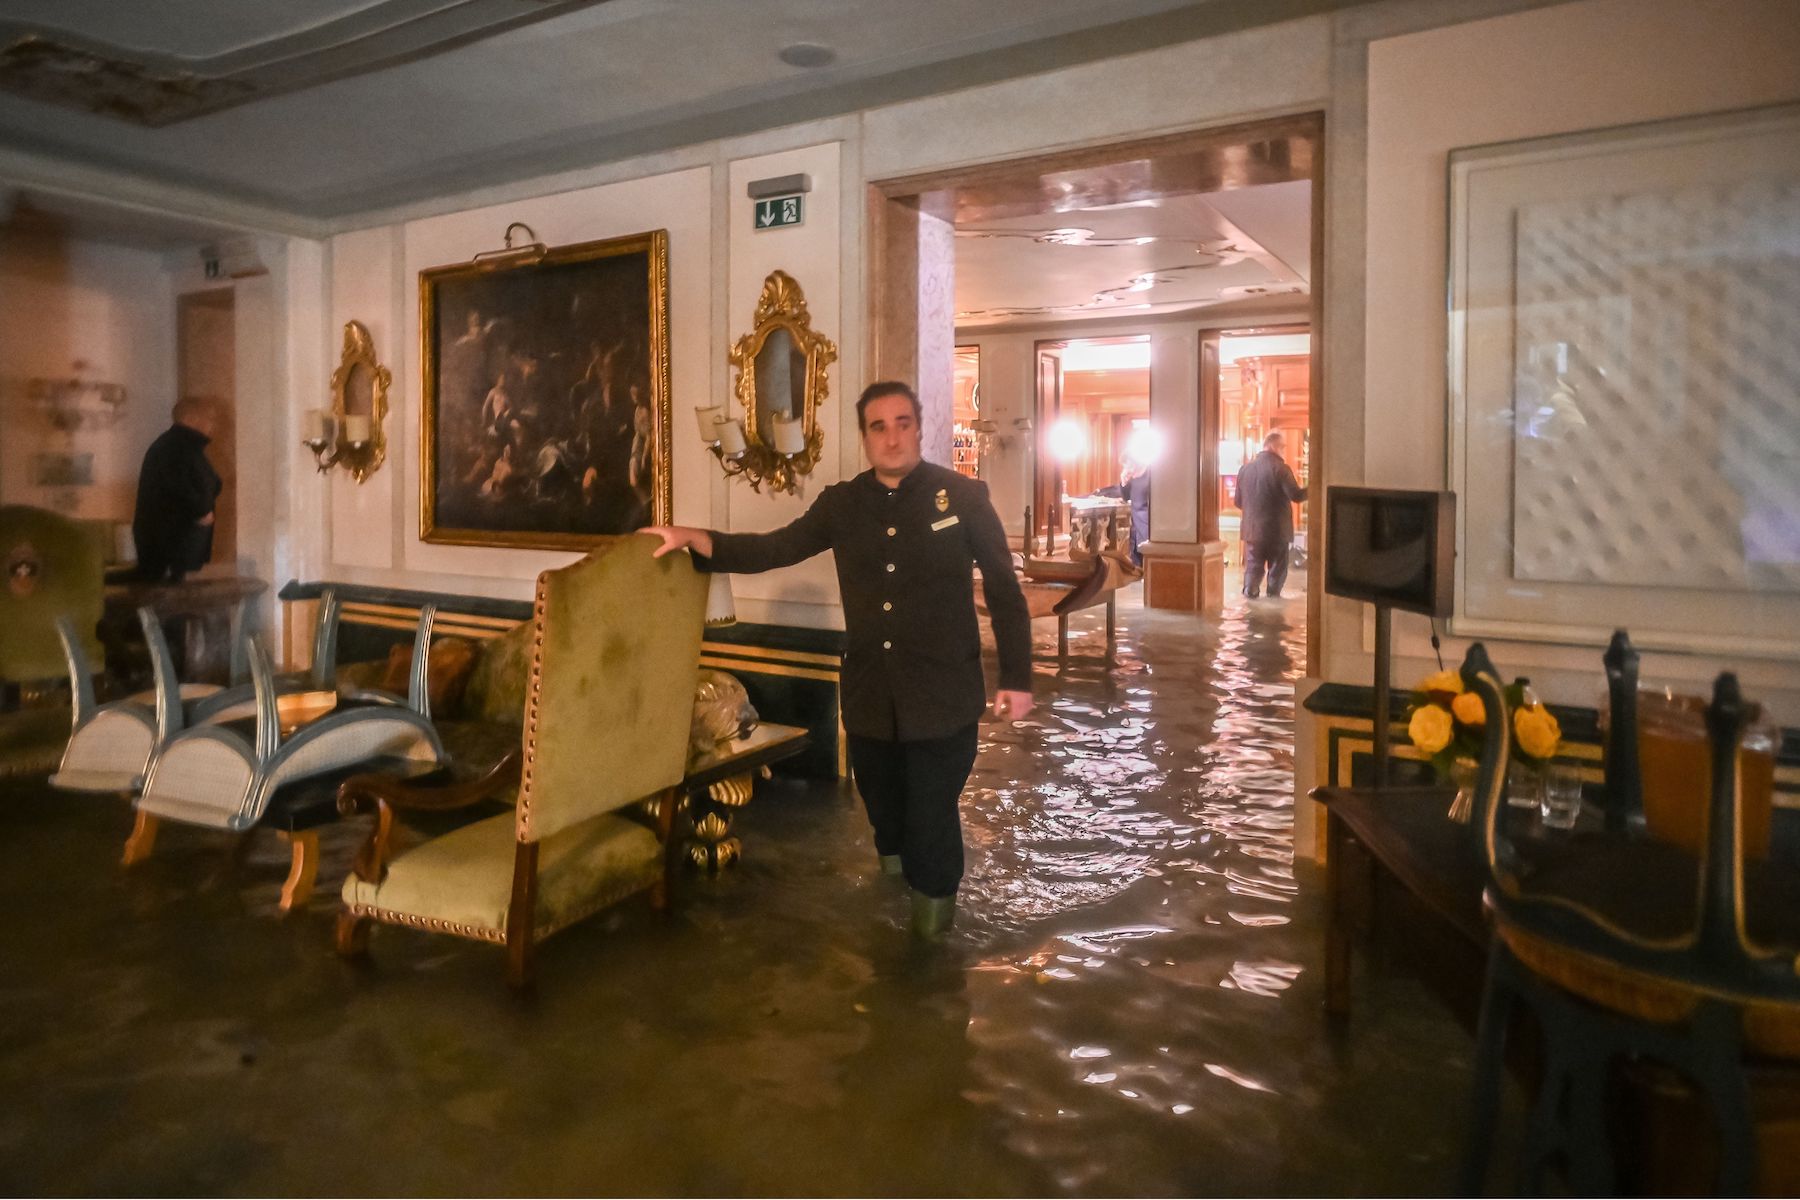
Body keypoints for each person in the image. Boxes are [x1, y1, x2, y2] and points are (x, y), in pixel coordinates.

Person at [644, 381, 1033, 939]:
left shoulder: (964, 498)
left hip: (944, 696)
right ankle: (893, 901)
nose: (892, 436)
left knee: (932, 817)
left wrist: (1017, 679)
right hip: (872, 696)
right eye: (879, 426)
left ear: (920, 427)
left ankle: (929, 949)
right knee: (885, 813)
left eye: (903, 423)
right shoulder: (843, 504)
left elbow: (1003, 591)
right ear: (865, 436)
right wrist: (699, 539)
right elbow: (776, 547)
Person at [130, 397, 222, 582]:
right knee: (170, 596)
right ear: (190, 418)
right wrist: (202, 510)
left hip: (179, 538)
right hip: (171, 541)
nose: (213, 425)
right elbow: (178, 488)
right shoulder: (173, 448)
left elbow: (211, 482)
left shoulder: (186, 447)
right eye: (209, 418)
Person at [1233, 430, 1307, 599]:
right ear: (1273, 446)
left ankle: (1250, 595)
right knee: (1277, 569)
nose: (1283, 450)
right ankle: (1273, 601)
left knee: (1253, 566)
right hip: (1277, 531)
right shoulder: (1281, 469)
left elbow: (1238, 501)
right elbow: (1296, 496)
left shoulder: (1245, 469)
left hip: (1252, 530)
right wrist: (1316, 487)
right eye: (1282, 447)